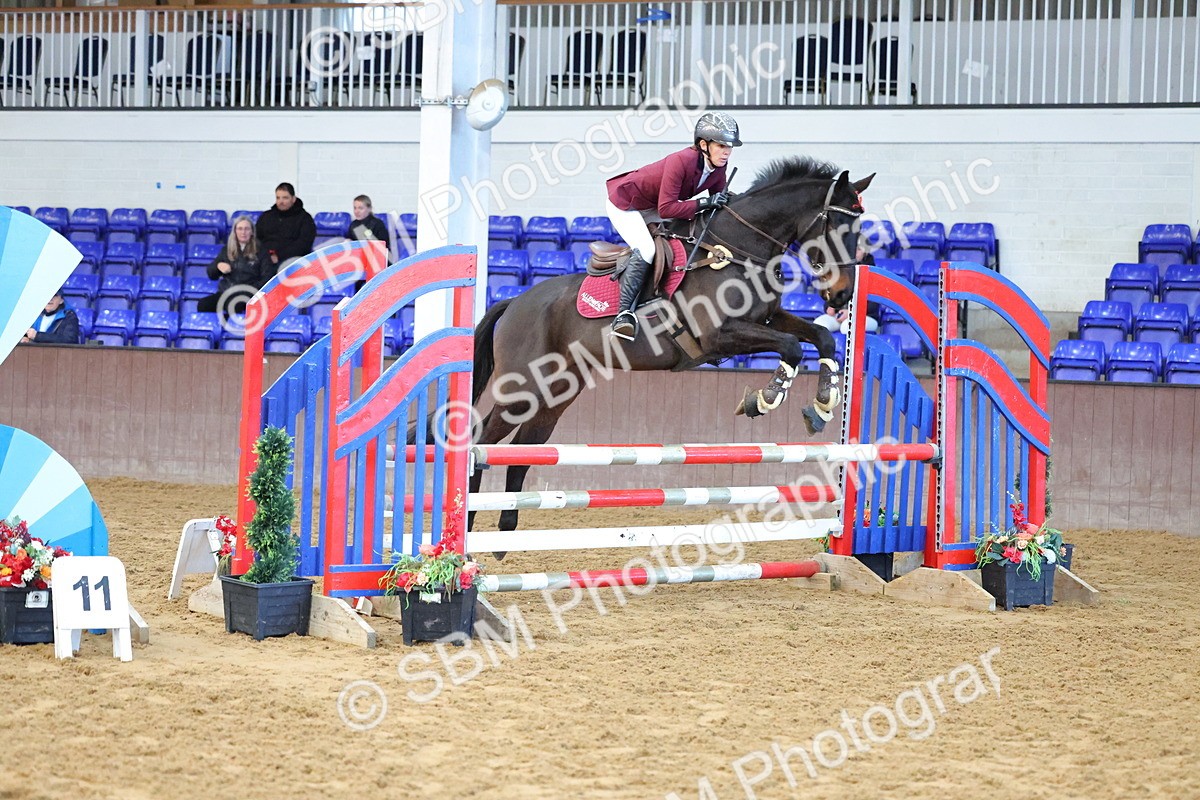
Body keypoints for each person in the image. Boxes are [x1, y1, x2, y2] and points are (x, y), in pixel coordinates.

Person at [604, 111, 741, 340]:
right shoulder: (681, 160)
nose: (727, 151)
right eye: (721, 145)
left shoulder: (718, 167)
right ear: (703, 145)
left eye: (730, 146)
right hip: (627, 204)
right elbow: (667, 209)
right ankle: (623, 314)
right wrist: (705, 202)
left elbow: (717, 204)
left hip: (654, 205)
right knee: (646, 249)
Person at [198, 216, 271, 316]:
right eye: (240, 229)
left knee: (233, 304)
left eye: (246, 229)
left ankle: (227, 323)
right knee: (203, 304)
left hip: (249, 294)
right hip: (226, 291)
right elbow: (211, 274)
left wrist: (248, 289)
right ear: (235, 232)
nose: (243, 232)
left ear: (252, 232)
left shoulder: (261, 251)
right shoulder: (227, 250)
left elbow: (267, 278)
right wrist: (218, 266)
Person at [813, 248, 879, 334]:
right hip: (839, 315)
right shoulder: (840, 269)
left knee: (847, 327)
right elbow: (831, 292)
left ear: (865, 252)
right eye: (853, 248)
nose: (854, 252)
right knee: (819, 325)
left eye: (858, 249)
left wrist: (851, 313)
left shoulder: (873, 273)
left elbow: (873, 305)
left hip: (866, 316)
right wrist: (830, 306)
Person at [255, 182, 316, 269]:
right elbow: (256, 239)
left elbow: (303, 245)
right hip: (265, 259)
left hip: (292, 261)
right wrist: (265, 255)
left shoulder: (305, 218)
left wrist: (279, 256)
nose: (281, 201)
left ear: (293, 199)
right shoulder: (266, 216)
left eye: (285, 198)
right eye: (278, 198)